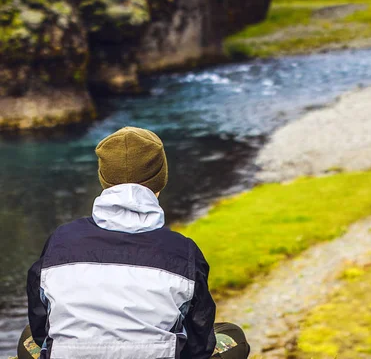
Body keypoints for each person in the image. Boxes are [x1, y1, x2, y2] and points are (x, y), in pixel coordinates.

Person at [19, 127, 250, 359]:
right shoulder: (184, 251)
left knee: (27, 338)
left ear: (104, 179)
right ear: (160, 180)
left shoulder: (61, 240)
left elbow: (41, 329)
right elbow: (200, 344)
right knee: (233, 336)